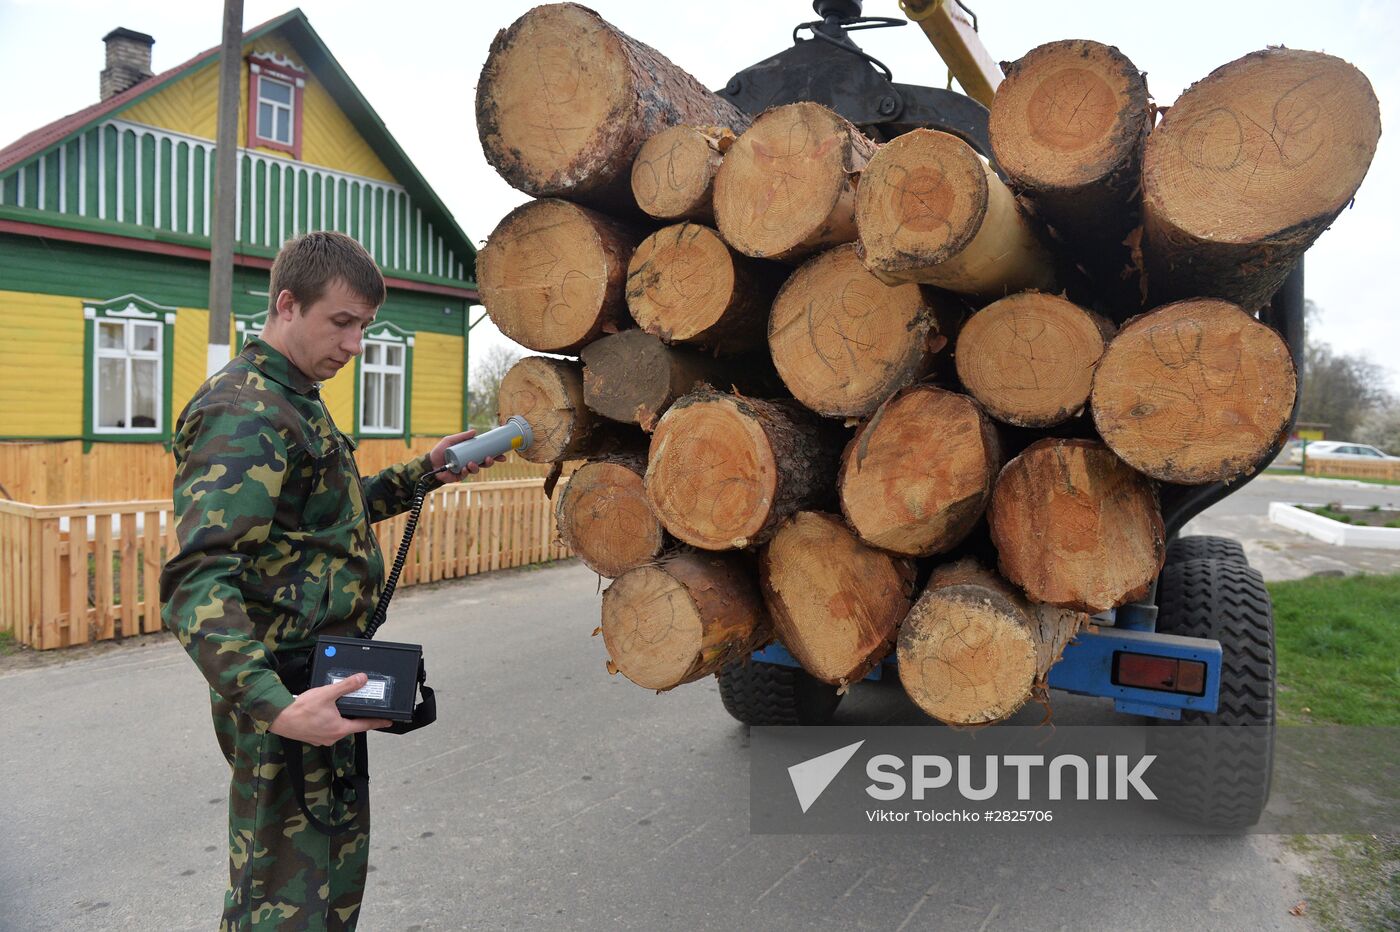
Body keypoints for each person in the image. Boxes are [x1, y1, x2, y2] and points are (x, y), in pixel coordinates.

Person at [160, 231, 497, 930]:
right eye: (341, 323)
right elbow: (199, 579)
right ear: (287, 305)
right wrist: (277, 707)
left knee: (327, 884)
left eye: (364, 328)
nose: (354, 344)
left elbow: (321, 521)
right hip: (284, 689)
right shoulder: (244, 410)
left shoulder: (295, 396)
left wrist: (426, 470)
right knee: (280, 900)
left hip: (323, 680)